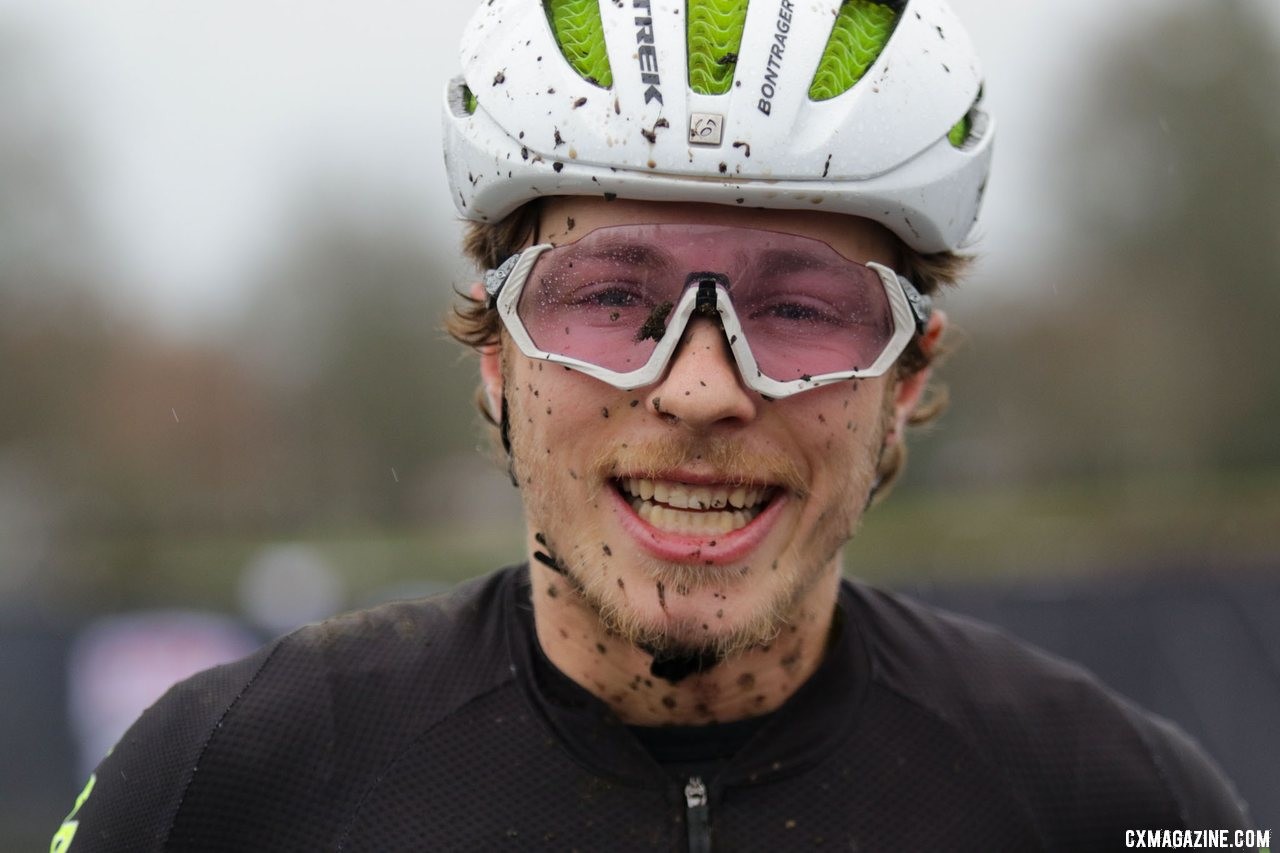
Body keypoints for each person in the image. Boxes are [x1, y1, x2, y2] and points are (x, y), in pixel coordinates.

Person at [54, 0, 1258, 850]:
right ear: (496, 357)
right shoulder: (227, 781)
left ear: (904, 379)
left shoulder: (1121, 803)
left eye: (798, 308)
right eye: (608, 297)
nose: (698, 391)